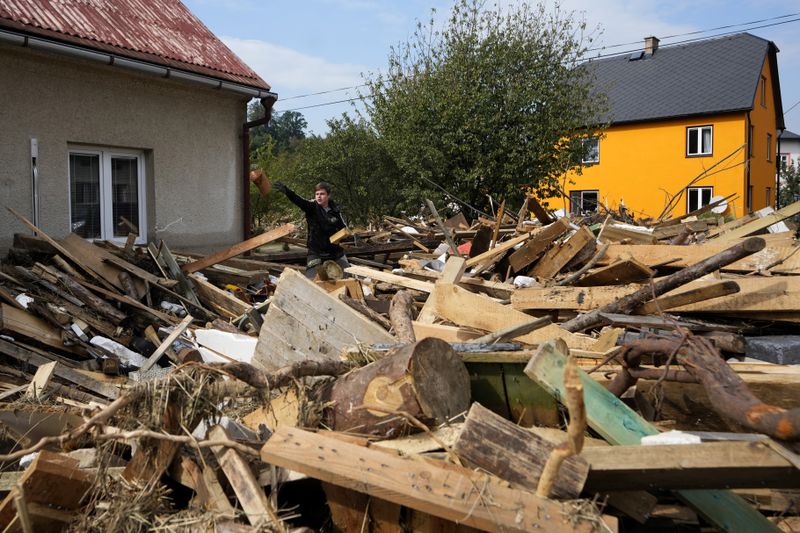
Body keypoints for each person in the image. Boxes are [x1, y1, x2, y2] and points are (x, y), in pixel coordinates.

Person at [273, 180, 350, 279]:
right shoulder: (311, 207)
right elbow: (299, 200)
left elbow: (343, 228)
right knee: (311, 280)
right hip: (316, 252)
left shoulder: (335, 210)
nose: (319, 196)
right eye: (317, 194)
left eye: (322, 194)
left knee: (348, 276)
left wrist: (346, 237)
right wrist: (287, 191)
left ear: (328, 195)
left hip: (335, 252)